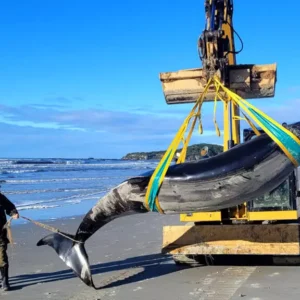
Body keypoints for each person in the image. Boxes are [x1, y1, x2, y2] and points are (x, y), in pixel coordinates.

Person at [0, 192, 19, 291]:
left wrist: (13, 213)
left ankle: (5, 281)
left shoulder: (0, 197)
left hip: (0, 233)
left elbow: (9, 207)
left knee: (1, 257)